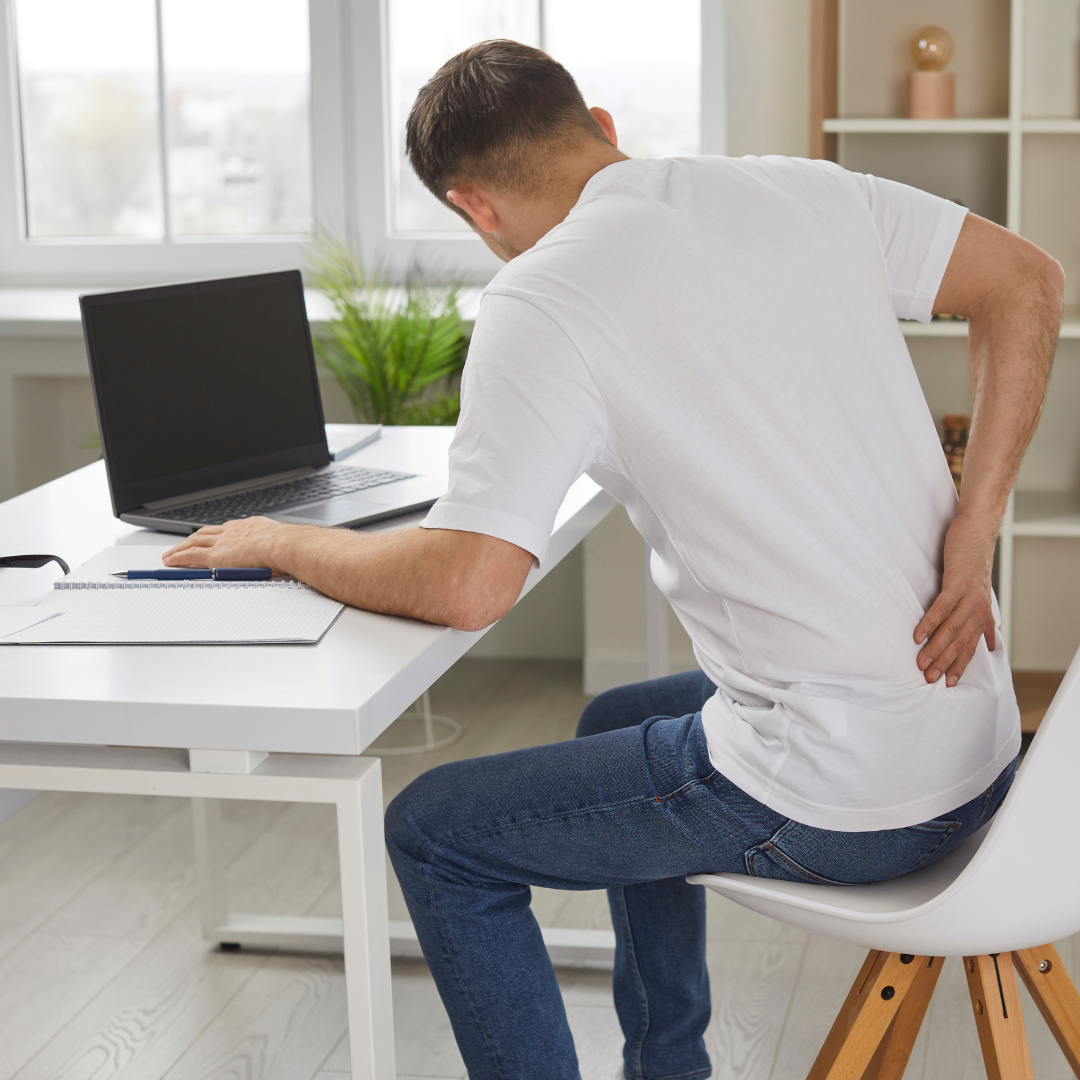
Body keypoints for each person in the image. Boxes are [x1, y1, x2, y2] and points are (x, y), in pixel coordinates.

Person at [163, 39, 1064, 1080]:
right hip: (978, 753)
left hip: (843, 805)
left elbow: (468, 584)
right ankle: (666, 1065)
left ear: (474, 207)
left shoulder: (539, 298)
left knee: (432, 834)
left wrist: (280, 542)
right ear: (601, 124)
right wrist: (974, 518)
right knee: (617, 721)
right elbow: (1027, 281)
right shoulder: (800, 189)